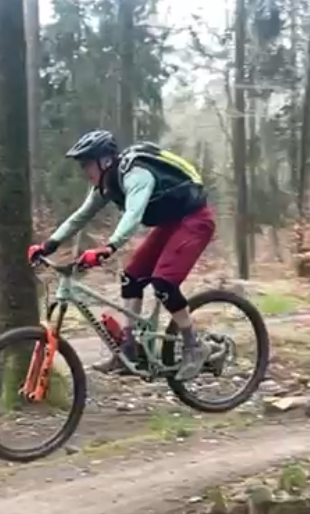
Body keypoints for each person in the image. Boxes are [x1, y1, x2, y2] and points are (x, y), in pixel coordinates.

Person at [26, 129, 217, 382]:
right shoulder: (106, 185)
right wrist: (49, 245)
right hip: (171, 223)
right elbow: (80, 216)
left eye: (87, 164)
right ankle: (130, 350)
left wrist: (110, 246)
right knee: (131, 277)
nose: (84, 171)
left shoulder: (136, 174)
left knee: (163, 282)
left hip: (195, 219)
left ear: (104, 161)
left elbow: (133, 214)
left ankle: (194, 346)